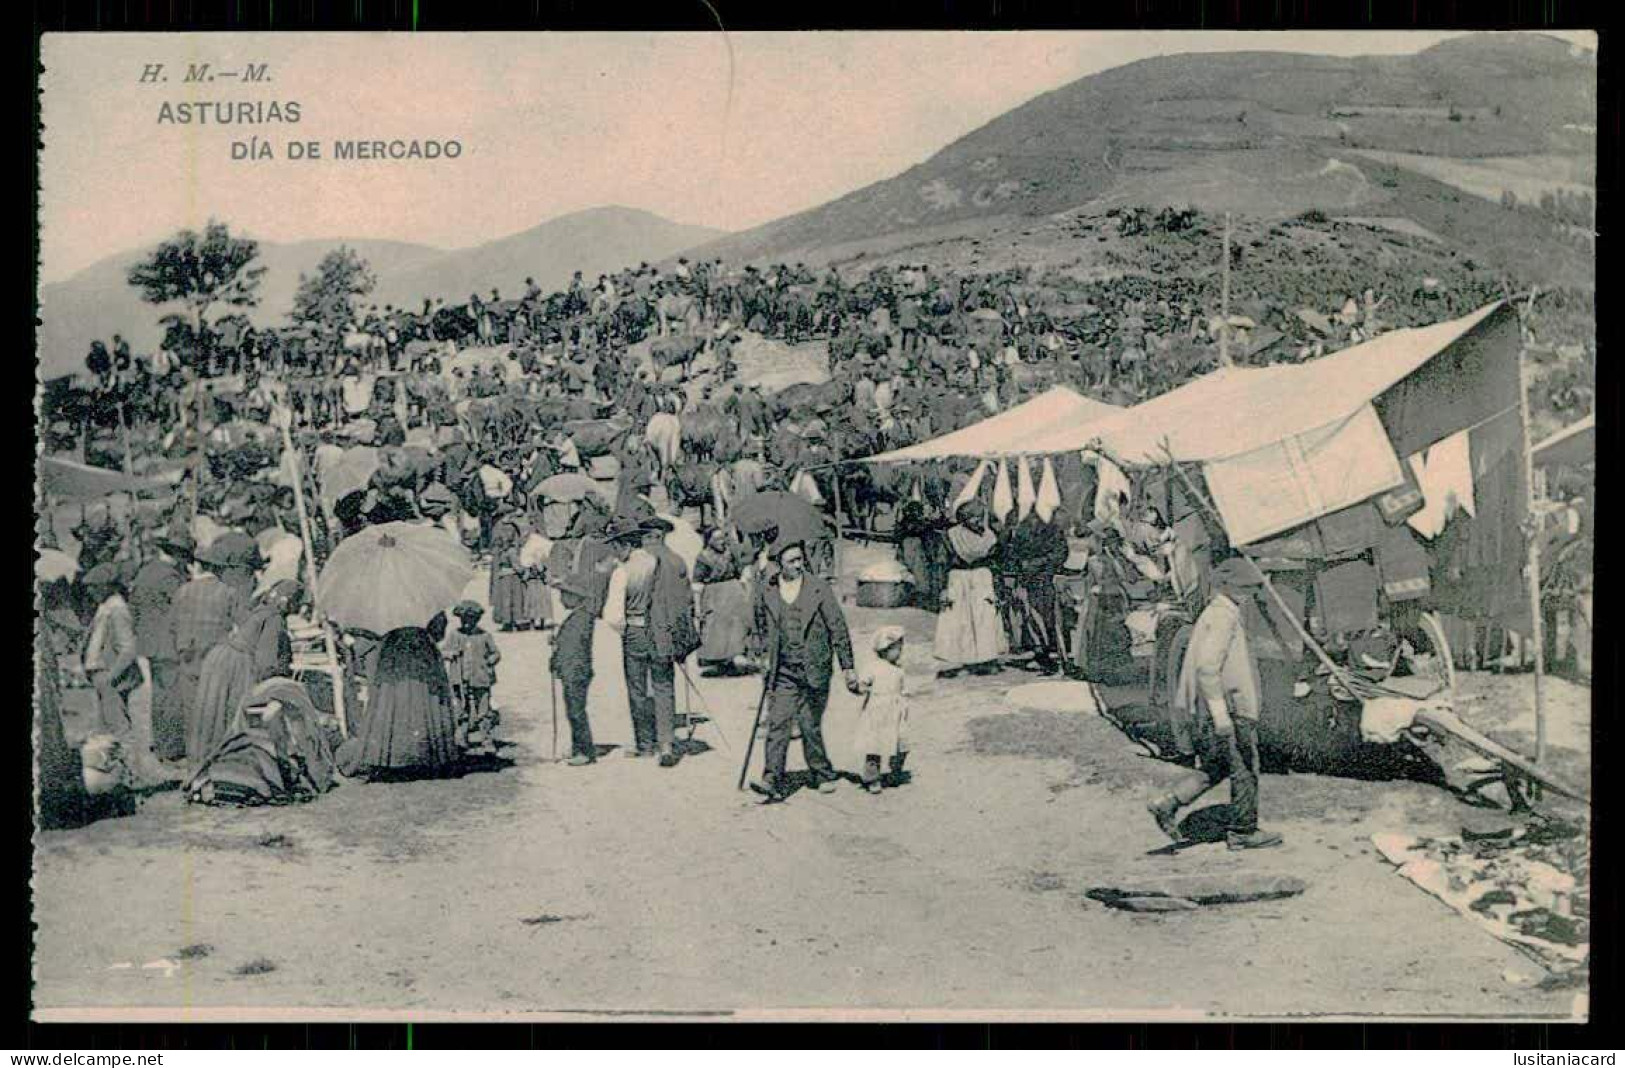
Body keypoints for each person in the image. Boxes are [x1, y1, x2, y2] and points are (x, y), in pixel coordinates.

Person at [1145, 557, 1284, 851]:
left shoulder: (1219, 611)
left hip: (1218, 706)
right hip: (1230, 707)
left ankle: (1168, 803)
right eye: (1247, 587)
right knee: (1246, 767)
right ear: (1228, 586)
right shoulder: (1224, 616)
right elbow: (1208, 668)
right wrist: (1222, 715)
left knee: (1218, 764)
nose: (1251, 594)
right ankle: (1243, 831)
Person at [749, 538, 858, 803]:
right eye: (791, 561)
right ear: (779, 565)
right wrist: (760, 653)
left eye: (800, 559)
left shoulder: (818, 588)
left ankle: (821, 772)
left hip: (814, 666)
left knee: (810, 724)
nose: (798, 565)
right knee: (778, 722)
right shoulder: (768, 590)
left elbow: (838, 628)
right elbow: (758, 626)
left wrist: (848, 667)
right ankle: (771, 778)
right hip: (783, 669)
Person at [602, 511, 697, 766]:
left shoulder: (627, 568)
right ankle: (666, 743)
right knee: (664, 686)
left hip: (635, 631)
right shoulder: (676, 561)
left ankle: (645, 744)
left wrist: (625, 630)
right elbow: (687, 602)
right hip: (664, 632)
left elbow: (613, 616)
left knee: (638, 688)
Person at [188, 580, 299, 772]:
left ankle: (206, 765)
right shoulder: (274, 619)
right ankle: (232, 767)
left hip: (220, 657)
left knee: (214, 714)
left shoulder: (260, 609)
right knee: (235, 715)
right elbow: (266, 661)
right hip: (236, 664)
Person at [340, 612, 459, 780]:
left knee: (393, 703)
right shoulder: (424, 602)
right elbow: (438, 631)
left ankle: (393, 755)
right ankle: (425, 755)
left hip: (393, 655)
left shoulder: (383, 603)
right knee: (423, 700)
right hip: (421, 653)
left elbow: (369, 632)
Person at [127, 531, 192, 760]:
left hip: (149, 642)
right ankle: (172, 748)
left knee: (159, 696)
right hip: (168, 644)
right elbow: (184, 606)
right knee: (172, 697)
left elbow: (133, 607)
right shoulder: (170, 577)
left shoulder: (146, 571)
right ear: (178, 555)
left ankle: (162, 742)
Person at [933, 499, 1007, 674]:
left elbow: (996, 561)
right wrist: (942, 589)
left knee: (984, 619)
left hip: (982, 579)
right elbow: (941, 564)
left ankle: (987, 659)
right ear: (964, 519)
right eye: (974, 517)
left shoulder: (989, 536)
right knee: (962, 620)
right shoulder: (951, 536)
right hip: (958, 580)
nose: (979, 521)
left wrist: (997, 585)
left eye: (981, 517)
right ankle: (965, 660)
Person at [80, 563, 140, 737]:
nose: (90, 592)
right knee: (104, 726)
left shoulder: (117, 609)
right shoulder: (105, 606)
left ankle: (126, 759)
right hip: (100, 672)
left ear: (105, 587)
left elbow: (128, 648)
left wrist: (112, 676)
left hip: (109, 673)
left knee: (117, 725)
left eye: (93, 588)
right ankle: (112, 761)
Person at [550, 570, 599, 766]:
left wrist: (558, 653)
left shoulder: (580, 619)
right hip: (573, 670)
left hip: (575, 671)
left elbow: (574, 649)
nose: (561, 599)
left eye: (564, 594)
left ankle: (585, 751)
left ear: (574, 597)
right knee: (572, 710)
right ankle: (577, 746)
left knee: (576, 712)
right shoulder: (577, 617)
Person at [855, 625, 911, 795]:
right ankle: (873, 778)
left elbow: (903, 689)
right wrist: (861, 687)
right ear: (885, 649)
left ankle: (895, 772)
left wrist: (904, 703)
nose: (900, 652)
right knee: (875, 743)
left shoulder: (899, 669)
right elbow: (863, 683)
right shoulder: (873, 667)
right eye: (897, 649)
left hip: (895, 710)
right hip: (877, 710)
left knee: (900, 741)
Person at [443, 600, 502, 753]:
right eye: (464, 620)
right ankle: (462, 738)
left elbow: (495, 653)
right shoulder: (455, 635)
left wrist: (491, 660)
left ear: (477, 620)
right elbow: (444, 651)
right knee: (462, 709)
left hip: (480, 679)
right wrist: (450, 654)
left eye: (471, 620)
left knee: (484, 710)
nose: (467, 624)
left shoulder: (484, 636)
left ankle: (487, 740)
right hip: (460, 679)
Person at [692, 527, 751, 675]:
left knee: (735, 627)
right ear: (709, 540)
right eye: (717, 538)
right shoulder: (703, 557)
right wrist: (698, 606)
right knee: (717, 629)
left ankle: (733, 657)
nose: (721, 541)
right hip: (714, 596)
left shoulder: (730, 553)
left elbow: (739, 572)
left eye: (722, 537)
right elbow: (698, 583)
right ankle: (718, 660)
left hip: (733, 594)